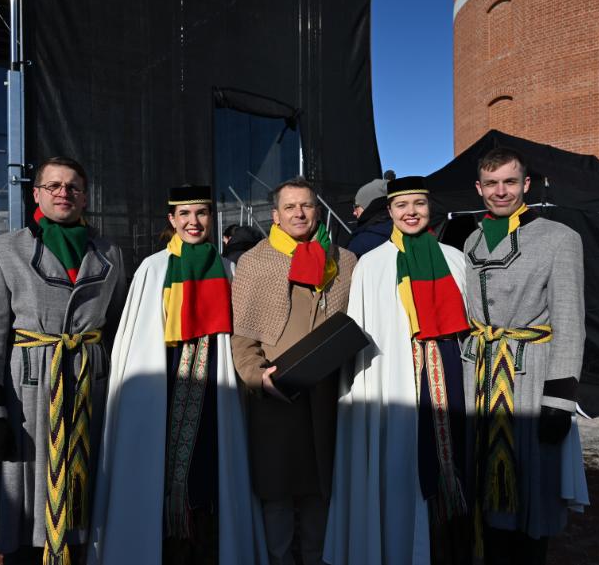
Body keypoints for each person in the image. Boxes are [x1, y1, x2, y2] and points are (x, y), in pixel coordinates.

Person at [87, 186, 267, 564]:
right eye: (184, 214)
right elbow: (137, 338)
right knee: (154, 467)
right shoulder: (153, 269)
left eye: (201, 213)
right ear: (172, 219)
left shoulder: (228, 268)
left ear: (211, 218)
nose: (193, 221)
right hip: (163, 382)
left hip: (214, 382)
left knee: (211, 468)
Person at [0, 157, 127, 565]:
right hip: (29, 396)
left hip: (91, 391)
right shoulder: (3, 250)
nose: (63, 192)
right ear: (36, 194)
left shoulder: (110, 252)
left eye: (72, 186)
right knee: (26, 509)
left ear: (84, 197)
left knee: (86, 505)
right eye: (53, 185)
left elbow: (119, 325)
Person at [324, 176, 472, 565]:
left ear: (429, 207)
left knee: (456, 467)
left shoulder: (455, 260)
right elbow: (363, 333)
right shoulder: (372, 266)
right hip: (394, 385)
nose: (411, 212)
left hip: (449, 379)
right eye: (402, 205)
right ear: (389, 210)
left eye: (418, 204)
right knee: (398, 471)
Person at [462, 147, 588, 565]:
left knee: (532, 485)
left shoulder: (560, 238)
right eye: (492, 183)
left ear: (526, 184)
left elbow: (570, 320)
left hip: (530, 378)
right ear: (479, 188)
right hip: (480, 378)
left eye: (510, 182)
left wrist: (559, 400)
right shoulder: (471, 239)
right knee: (485, 484)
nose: (501, 191)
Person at [231, 176, 357, 565]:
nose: (299, 213)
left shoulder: (344, 260)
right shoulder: (254, 262)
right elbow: (242, 336)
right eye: (290, 207)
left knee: (322, 490)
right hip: (277, 397)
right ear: (275, 215)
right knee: (278, 494)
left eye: (306, 205)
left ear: (317, 211)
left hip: (331, 395)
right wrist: (258, 377)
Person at [346, 170, 396, 258]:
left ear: (369, 205)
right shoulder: (406, 231)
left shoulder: (360, 244)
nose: (354, 212)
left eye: (356, 206)